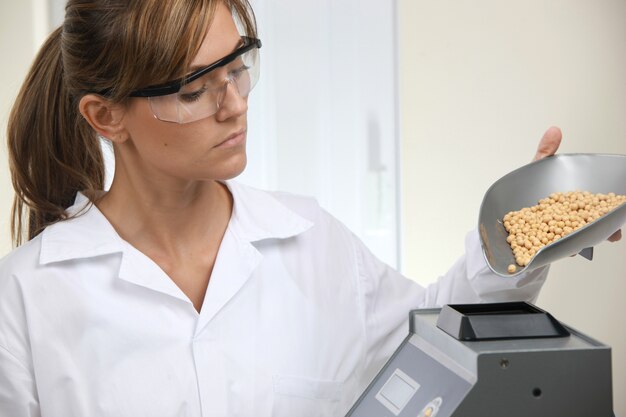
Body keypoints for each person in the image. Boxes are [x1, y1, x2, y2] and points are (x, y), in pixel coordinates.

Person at [0, 1, 576, 416]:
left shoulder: (311, 241)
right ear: (106, 117)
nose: (234, 105)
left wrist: (520, 233)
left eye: (237, 68)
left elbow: (433, 334)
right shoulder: (24, 300)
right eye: (194, 91)